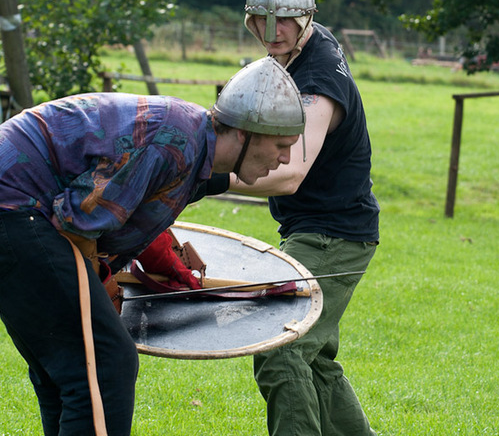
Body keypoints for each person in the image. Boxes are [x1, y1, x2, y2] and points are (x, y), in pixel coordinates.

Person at [0, 56, 305, 436]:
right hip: (17, 209)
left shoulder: (194, 145)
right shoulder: (172, 141)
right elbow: (76, 221)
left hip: (18, 212)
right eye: (280, 144)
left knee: (69, 371)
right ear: (245, 132)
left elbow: (130, 205)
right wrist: (100, 279)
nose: (286, 158)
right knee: (106, 365)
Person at [228, 0, 380, 435]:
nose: (270, 33)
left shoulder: (319, 84)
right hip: (322, 230)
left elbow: (290, 173)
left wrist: (203, 177)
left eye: (283, 23)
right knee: (313, 361)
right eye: (260, 22)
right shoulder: (306, 46)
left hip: (333, 236)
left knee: (281, 343)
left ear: (306, 19)